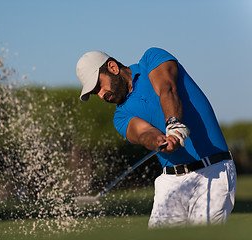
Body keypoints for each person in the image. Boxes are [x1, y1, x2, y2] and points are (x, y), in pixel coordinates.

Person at [76, 47, 237, 228]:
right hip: (171, 182)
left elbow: (166, 88)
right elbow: (143, 133)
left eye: (99, 86)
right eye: (94, 93)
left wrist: (173, 123)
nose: (100, 94)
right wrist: (159, 141)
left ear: (112, 67)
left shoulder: (152, 59)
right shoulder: (120, 117)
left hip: (213, 172)